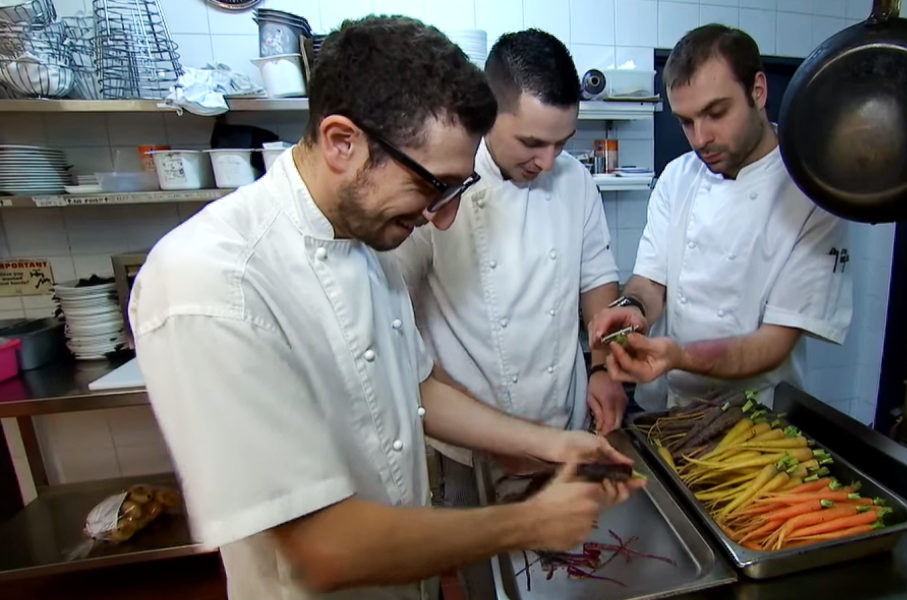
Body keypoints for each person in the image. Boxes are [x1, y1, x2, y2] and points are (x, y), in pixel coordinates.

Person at [129, 17, 640, 600]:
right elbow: (323, 549)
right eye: (433, 186)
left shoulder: (365, 236)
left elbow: (416, 387)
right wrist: (529, 521)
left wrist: (551, 443)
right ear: (343, 143)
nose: (442, 217)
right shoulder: (213, 284)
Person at [390, 30, 627, 506]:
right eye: (532, 142)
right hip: (472, 448)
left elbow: (597, 278)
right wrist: (500, 436)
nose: (547, 161)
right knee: (487, 574)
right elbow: (398, 327)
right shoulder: (441, 182)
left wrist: (603, 367)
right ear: (487, 111)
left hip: (566, 426)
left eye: (562, 143)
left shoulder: (575, 180)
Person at [588, 25, 853, 410]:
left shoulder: (811, 192)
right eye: (686, 120)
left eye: (715, 113)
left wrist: (679, 356)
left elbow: (772, 345)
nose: (700, 138)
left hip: (756, 416)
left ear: (758, 91)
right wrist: (633, 307)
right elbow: (650, 282)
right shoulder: (677, 177)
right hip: (667, 409)